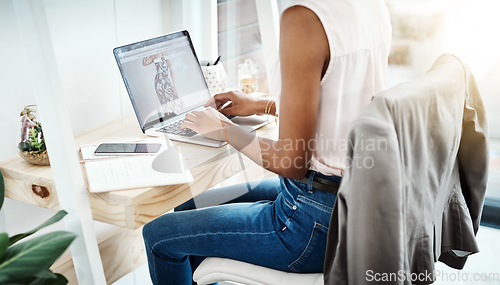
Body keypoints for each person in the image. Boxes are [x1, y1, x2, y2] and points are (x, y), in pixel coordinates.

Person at [142, 1, 392, 284]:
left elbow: (291, 162)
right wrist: (264, 105)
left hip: (311, 221)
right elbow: (340, 103)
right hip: (352, 200)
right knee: (189, 207)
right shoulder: (369, 5)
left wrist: (225, 129)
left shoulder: (303, 18)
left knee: (157, 235)